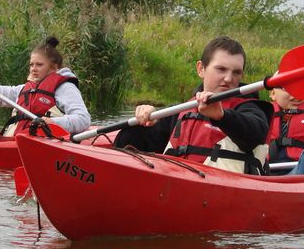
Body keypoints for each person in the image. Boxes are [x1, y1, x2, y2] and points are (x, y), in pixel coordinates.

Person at [114, 36, 273, 174]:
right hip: (177, 182)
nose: (228, 78)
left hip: (227, 191)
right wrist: (141, 123)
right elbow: (128, 147)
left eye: (236, 72)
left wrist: (222, 116)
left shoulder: (250, 108)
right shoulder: (181, 110)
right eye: (221, 69)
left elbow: (255, 134)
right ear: (201, 69)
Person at [0, 36, 90, 136]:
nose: (33, 69)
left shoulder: (65, 88)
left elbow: (83, 119)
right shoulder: (25, 89)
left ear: (54, 68)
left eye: (39, 65)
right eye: (31, 64)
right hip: (18, 140)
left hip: (47, 143)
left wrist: (53, 123)